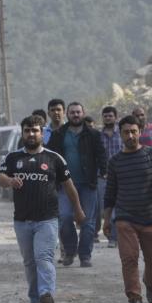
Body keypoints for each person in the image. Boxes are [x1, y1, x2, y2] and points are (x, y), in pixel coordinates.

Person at [0, 116, 86, 303]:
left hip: (47, 219)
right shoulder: (13, 158)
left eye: (35, 130)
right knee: (29, 262)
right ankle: (34, 300)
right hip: (22, 220)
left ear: (42, 133)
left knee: (44, 257)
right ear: (23, 133)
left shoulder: (54, 158)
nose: (31, 134)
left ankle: (46, 294)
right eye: (27, 130)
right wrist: (10, 181)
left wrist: (78, 210)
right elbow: (0, 177)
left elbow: (69, 187)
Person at [102, 115, 152, 303]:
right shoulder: (115, 162)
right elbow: (110, 194)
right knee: (129, 258)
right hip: (125, 218)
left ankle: (150, 283)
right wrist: (107, 220)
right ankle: (134, 298)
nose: (131, 135)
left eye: (134, 131)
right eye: (126, 132)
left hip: (150, 216)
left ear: (140, 132)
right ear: (121, 134)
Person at [47, 102, 107, 267]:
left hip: (88, 184)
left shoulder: (93, 134)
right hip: (64, 185)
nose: (75, 115)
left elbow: (101, 154)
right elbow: (50, 157)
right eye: (72, 112)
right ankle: (70, 251)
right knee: (65, 218)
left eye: (78, 112)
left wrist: (104, 170)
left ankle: (85, 255)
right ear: (67, 114)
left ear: (83, 113)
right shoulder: (58, 134)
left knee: (87, 221)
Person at [98, 106, 123, 248]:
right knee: (107, 206)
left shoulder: (122, 133)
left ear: (115, 117)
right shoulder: (98, 136)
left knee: (118, 206)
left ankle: (114, 237)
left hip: (120, 175)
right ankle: (111, 235)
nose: (108, 118)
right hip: (103, 176)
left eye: (110, 116)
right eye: (105, 116)